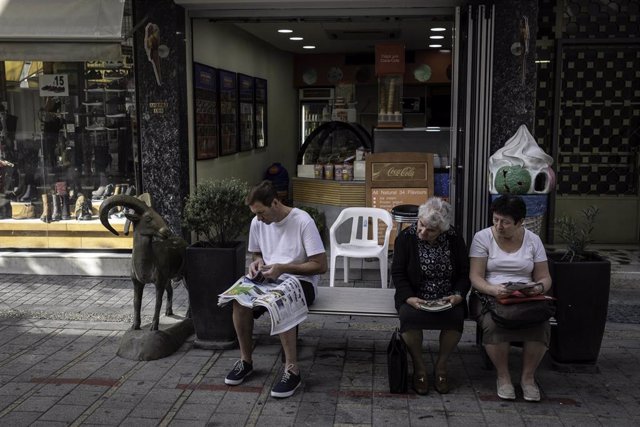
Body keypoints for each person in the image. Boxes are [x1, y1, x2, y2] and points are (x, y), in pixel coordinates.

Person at [225, 180, 327, 398]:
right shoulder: (257, 222)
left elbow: (320, 266)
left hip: (302, 281)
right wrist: (257, 262)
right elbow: (256, 253)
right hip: (270, 277)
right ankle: (246, 361)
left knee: (279, 299)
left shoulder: (302, 221)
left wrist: (284, 268)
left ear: (275, 203)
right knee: (238, 299)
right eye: (255, 214)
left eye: (261, 213)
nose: (259, 218)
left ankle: (292, 370)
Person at [469, 195, 552, 402]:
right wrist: (492, 289)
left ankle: (528, 378)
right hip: (489, 293)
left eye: (505, 222)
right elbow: (475, 276)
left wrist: (539, 287)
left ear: (520, 222)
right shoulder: (482, 237)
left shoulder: (533, 240)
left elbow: (544, 276)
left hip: (523, 295)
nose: (499, 226)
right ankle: (503, 376)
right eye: (495, 219)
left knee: (541, 323)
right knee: (494, 324)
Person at [391, 197, 470, 395]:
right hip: (415, 295)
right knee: (409, 317)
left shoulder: (454, 238)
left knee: (456, 316)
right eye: (421, 225)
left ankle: (442, 365)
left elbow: (464, 272)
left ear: (442, 229)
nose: (423, 232)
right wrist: (409, 297)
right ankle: (419, 367)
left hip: (446, 295)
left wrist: (458, 295)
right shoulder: (405, 238)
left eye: (430, 230)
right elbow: (398, 273)